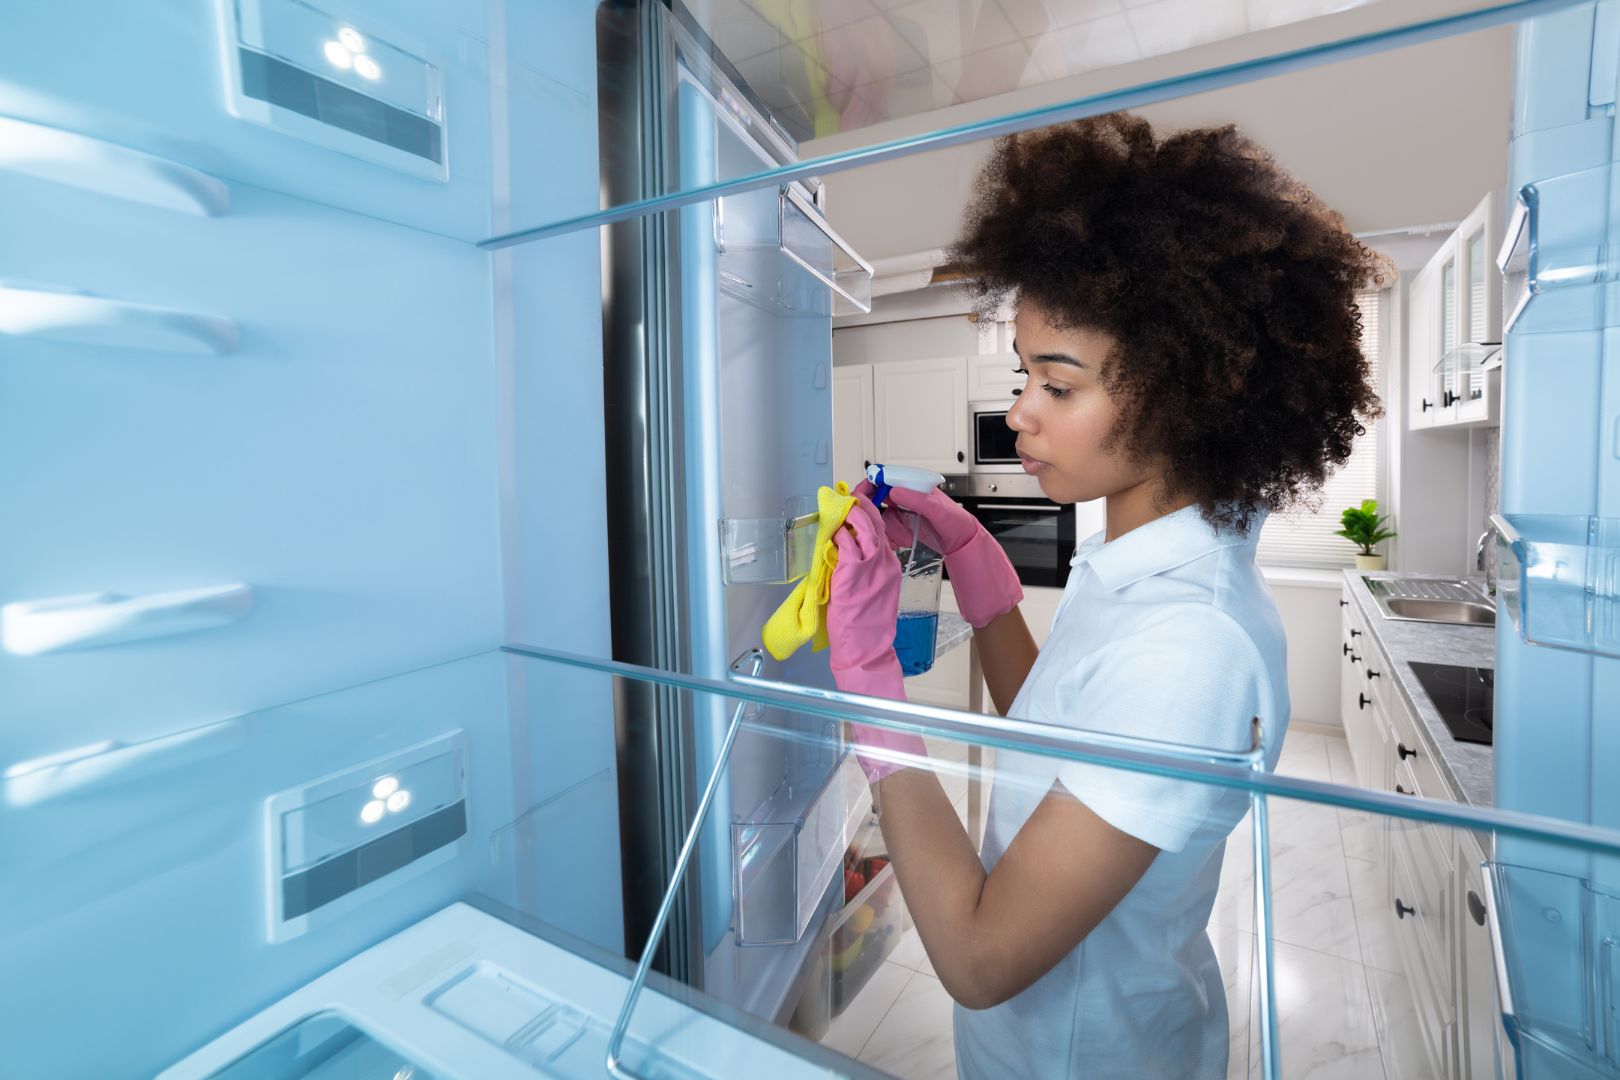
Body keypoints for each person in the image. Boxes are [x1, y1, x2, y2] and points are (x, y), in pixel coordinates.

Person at [824, 113, 1386, 1079]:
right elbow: (1056, 742)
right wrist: (984, 581)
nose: (1019, 412)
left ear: (1184, 397)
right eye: (1023, 375)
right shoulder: (1137, 564)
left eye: (1059, 383)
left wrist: (872, 693)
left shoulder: (1189, 649)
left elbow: (977, 955)